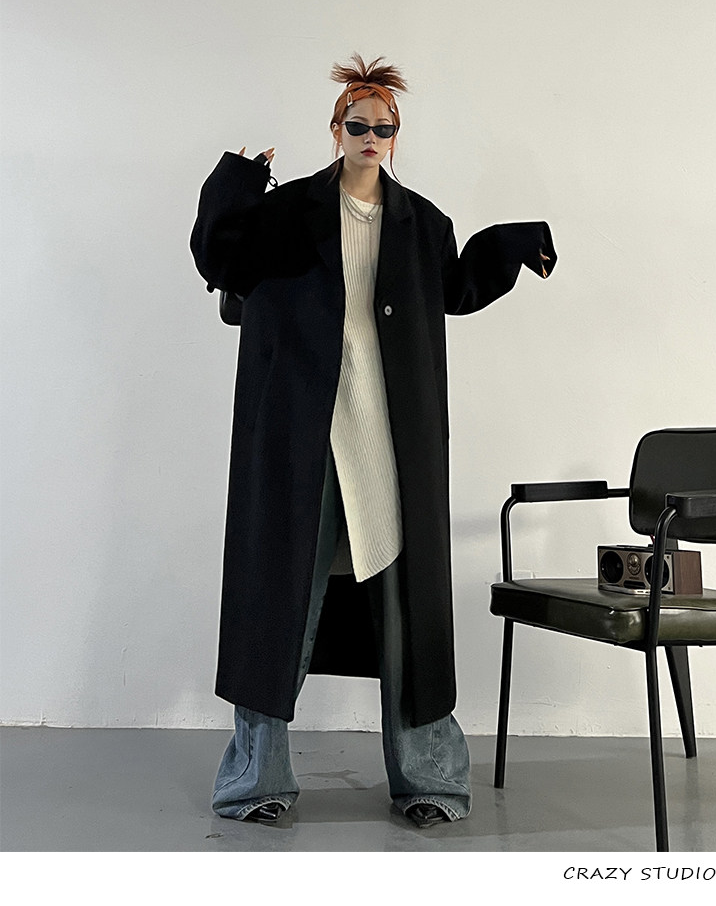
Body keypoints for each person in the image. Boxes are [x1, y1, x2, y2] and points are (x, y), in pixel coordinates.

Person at [190, 54, 556, 828]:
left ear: (396, 135)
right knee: (279, 604)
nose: (370, 136)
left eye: (383, 127)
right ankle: (255, 781)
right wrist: (235, 182)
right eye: (357, 123)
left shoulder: (422, 223)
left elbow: (456, 288)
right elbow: (220, 259)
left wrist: (514, 244)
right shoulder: (285, 213)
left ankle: (431, 780)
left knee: (407, 609)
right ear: (335, 129)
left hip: (387, 436)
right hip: (301, 435)